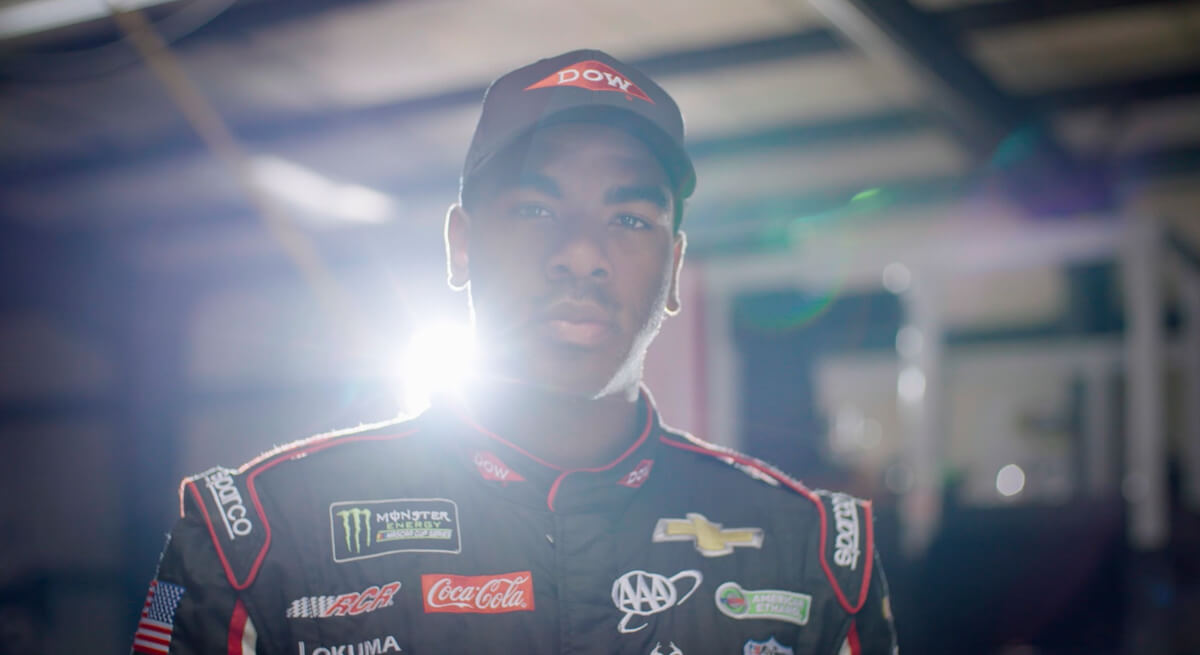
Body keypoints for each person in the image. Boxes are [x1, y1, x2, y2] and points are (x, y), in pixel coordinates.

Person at [132, 49, 898, 655]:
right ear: (461, 246)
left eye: (630, 219)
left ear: (673, 269)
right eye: (535, 208)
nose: (582, 254)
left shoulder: (812, 554)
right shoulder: (257, 536)